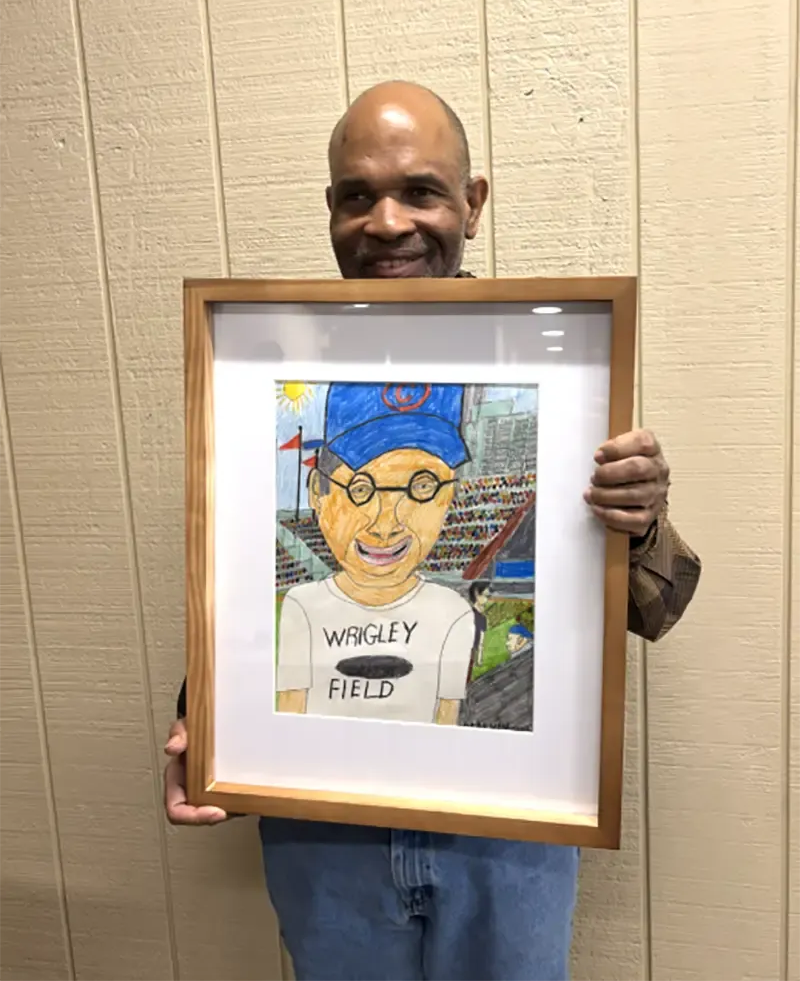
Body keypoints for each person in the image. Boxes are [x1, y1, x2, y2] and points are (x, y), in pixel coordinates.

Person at [165, 80, 702, 981]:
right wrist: (207, 727)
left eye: (419, 190)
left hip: (508, 823)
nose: (386, 222)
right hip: (324, 819)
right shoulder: (261, 362)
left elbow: (659, 609)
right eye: (356, 195)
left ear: (473, 204)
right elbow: (240, 568)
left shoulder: (555, 364)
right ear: (330, 210)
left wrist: (639, 522)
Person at [276, 380, 475, 726]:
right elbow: (288, 724)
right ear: (317, 493)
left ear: (450, 495)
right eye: (361, 488)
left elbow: (447, 730)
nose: (386, 525)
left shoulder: (454, 615)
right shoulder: (302, 608)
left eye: (423, 487)